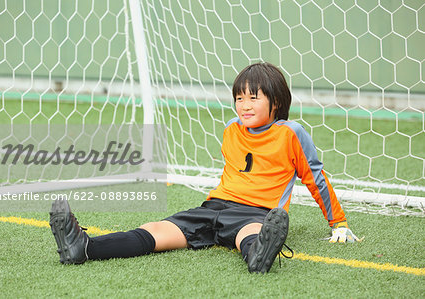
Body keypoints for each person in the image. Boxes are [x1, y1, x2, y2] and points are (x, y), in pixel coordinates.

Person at [50, 62, 360, 274]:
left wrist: (339, 222)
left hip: (255, 212)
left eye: (254, 98)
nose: (245, 106)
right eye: (239, 98)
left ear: (276, 102)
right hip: (212, 208)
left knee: (251, 236)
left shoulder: (291, 133)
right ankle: (84, 247)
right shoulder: (231, 129)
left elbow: (315, 177)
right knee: (156, 230)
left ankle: (258, 256)